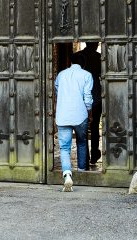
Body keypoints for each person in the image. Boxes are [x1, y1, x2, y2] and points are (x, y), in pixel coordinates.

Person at [55, 52, 93, 192]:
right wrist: (89, 113)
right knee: (82, 143)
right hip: (80, 115)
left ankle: (67, 175)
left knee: (64, 147)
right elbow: (87, 98)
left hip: (63, 115)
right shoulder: (87, 75)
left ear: (70, 62)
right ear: (83, 63)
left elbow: (58, 91)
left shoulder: (61, 75)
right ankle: (81, 172)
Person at [76, 42, 102, 165]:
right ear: (96, 44)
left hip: (79, 98)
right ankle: (94, 154)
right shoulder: (99, 57)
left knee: (82, 128)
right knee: (95, 126)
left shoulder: (77, 56)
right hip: (95, 97)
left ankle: (84, 158)